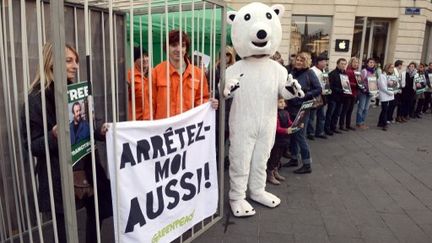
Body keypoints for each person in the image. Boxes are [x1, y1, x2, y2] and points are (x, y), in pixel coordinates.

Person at [21, 43, 112, 243]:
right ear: (52, 62)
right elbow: (31, 145)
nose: (75, 66)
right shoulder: (36, 100)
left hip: (87, 167)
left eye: (76, 61)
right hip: (58, 176)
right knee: (64, 230)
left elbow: (89, 127)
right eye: (69, 60)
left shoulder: (78, 92)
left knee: (97, 213)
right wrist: (53, 135)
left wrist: (101, 130)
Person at [151, 29, 218, 119]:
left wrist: (209, 103)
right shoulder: (156, 72)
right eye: (174, 45)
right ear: (167, 48)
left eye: (182, 45)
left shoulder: (198, 74)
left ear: (186, 49)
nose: (179, 49)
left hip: (187, 127)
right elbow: (150, 103)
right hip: (163, 129)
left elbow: (201, 99)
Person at [283, 52, 321, 174]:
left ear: (306, 62)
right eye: (297, 59)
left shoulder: (310, 73)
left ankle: (307, 164)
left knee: (300, 135)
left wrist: (304, 96)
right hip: (292, 107)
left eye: (301, 60)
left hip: (303, 108)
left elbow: (318, 89)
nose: (299, 62)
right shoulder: (292, 72)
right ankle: (294, 158)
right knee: (293, 133)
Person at [266, 97, 293, 185]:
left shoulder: (286, 112)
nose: (282, 104)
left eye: (283, 102)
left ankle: (275, 170)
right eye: (280, 102)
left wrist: (295, 125)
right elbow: (277, 128)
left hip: (284, 139)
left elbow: (289, 122)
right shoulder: (275, 114)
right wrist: (286, 130)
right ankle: (270, 172)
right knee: (274, 155)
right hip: (277, 139)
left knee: (279, 156)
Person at [308, 54, 329, 139]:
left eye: (326, 61)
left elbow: (326, 82)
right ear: (318, 62)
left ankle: (320, 131)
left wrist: (327, 89)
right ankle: (310, 133)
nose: (325, 63)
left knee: (321, 115)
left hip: (323, 95)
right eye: (324, 61)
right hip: (315, 95)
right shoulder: (312, 70)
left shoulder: (324, 70)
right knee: (312, 115)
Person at [325, 58, 347, 135]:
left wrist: (346, 90)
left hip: (341, 97)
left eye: (345, 64)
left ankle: (333, 127)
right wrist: (340, 90)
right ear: (337, 64)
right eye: (342, 64)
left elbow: (346, 85)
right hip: (333, 97)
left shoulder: (344, 74)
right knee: (330, 113)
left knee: (337, 113)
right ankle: (327, 128)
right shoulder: (332, 74)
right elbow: (330, 86)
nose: (343, 65)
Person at [127, 47, 151, 120]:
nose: (144, 59)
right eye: (140, 57)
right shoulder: (129, 75)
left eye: (146, 56)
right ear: (135, 60)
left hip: (152, 119)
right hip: (136, 120)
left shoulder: (154, 73)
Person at [356, 58, 376, 129]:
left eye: (373, 63)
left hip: (370, 93)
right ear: (367, 63)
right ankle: (359, 123)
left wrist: (374, 89)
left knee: (366, 109)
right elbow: (360, 81)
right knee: (361, 108)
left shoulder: (373, 72)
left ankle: (363, 122)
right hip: (363, 92)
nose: (372, 64)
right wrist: (364, 89)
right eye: (370, 62)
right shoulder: (364, 71)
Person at [342, 57, 360, 130]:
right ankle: (342, 125)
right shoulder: (348, 71)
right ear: (351, 63)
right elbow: (346, 82)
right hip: (348, 93)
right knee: (345, 110)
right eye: (354, 62)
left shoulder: (357, 72)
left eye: (357, 62)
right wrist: (356, 84)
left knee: (350, 110)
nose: (356, 64)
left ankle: (348, 124)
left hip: (354, 93)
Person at [377, 63, 395, 131]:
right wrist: (390, 92)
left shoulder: (392, 76)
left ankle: (380, 122)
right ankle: (384, 124)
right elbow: (382, 87)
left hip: (390, 95)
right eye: (390, 67)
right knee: (385, 109)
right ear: (387, 68)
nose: (391, 69)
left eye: (392, 68)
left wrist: (395, 89)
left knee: (385, 109)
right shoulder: (382, 76)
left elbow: (395, 84)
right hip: (384, 95)